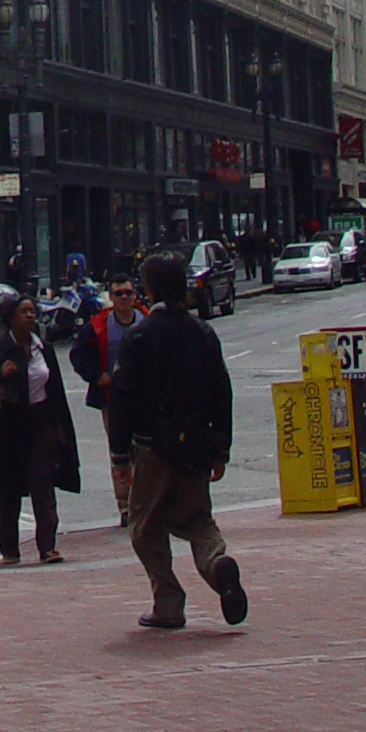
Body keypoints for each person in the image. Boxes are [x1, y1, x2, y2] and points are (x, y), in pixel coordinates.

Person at [109, 252, 247, 633]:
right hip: (197, 442)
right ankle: (216, 564)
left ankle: (168, 602)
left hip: (153, 445)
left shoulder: (139, 336)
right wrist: (221, 447)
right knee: (198, 517)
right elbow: (223, 390)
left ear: (148, 288)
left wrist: (120, 454)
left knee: (144, 525)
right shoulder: (203, 332)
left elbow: (122, 396)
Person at [0, 290, 81, 567]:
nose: (30, 315)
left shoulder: (44, 348)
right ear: (11, 318)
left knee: (43, 484)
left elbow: (55, 390)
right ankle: (9, 550)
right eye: (24, 311)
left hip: (42, 421)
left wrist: (62, 428)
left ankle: (48, 547)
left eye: (32, 311)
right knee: (10, 488)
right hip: (10, 426)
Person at [70, 273, 147, 524]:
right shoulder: (98, 326)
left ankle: (147, 501)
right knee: (120, 452)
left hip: (147, 399)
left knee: (147, 450)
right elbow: (78, 355)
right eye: (118, 294)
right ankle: (126, 506)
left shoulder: (147, 320)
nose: (124, 298)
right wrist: (97, 376)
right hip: (112, 400)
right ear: (111, 298)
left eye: (128, 293)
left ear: (135, 295)